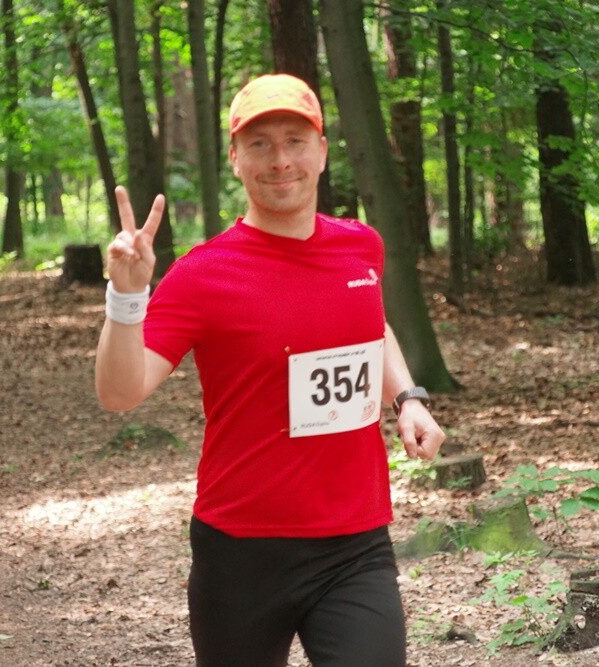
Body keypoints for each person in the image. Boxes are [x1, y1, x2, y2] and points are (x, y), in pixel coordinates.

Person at [95, 73, 446, 667]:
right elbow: (119, 393)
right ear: (235, 158)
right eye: (260, 144)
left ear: (322, 152)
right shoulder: (203, 274)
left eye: (294, 141)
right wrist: (126, 298)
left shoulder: (361, 246)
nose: (280, 160)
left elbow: (373, 324)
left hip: (355, 545)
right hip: (241, 551)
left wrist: (408, 397)